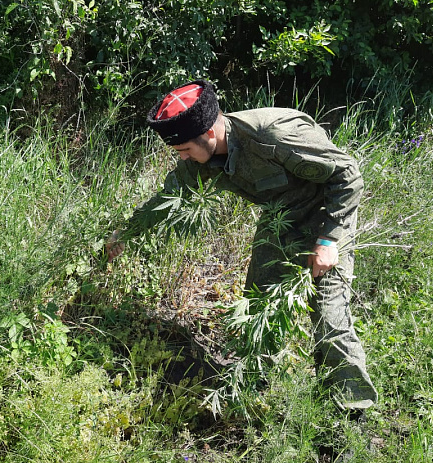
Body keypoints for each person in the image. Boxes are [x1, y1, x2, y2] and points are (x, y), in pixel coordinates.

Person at [106, 79, 378, 415]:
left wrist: (328, 240)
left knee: (328, 316)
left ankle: (350, 414)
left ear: (208, 134)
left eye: (184, 150)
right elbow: (169, 198)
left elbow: (347, 176)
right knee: (257, 310)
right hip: (282, 218)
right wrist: (125, 233)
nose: (183, 158)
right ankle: (251, 386)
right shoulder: (200, 159)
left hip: (328, 215)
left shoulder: (273, 137)